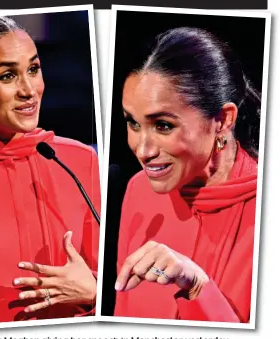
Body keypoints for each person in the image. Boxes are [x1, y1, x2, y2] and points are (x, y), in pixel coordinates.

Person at [0, 16, 100, 325]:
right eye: (7, 76)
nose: (29, 90)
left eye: (33, 69)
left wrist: (95, 291)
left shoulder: (79, 162)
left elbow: (123, 290)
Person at [113, 27, 260, 323]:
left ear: (222, 121)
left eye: (163, 126)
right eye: (133, 123)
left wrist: (197, 287)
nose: (142, 150)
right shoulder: (138, 190)